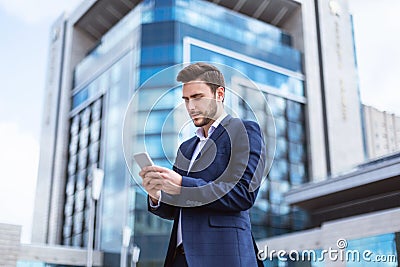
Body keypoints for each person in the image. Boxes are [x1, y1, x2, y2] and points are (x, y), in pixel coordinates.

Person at [140, 62, 266, 267]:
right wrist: (157, 195)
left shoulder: (243, 131)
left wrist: (182, 184)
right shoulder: (185, 148)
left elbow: (244, 193)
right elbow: (173, 211)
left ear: (219, 94)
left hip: (222, 255)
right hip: (179, 258)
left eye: (197, 97)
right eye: (186, 99)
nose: (191, 106)